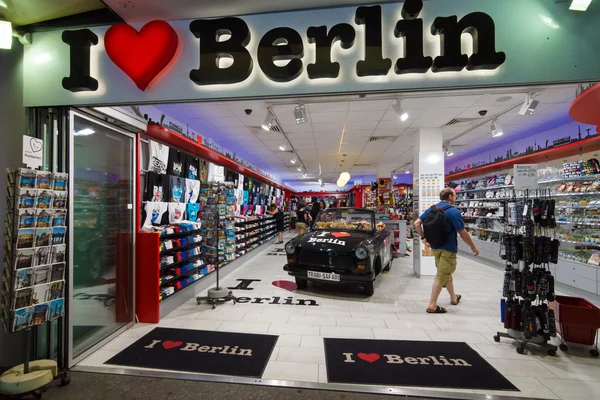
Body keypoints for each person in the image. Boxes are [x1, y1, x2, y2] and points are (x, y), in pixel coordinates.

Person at [413, 188, 479, 314]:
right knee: (441, 275)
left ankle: (453, 298)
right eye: (455, 195)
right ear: (449, 197)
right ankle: (432, 305)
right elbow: (463, 232)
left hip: (435, 247)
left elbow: (417, 223)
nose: (455, 197)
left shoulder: (431, 209)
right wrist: (473, 246)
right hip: (448, 248)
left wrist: (423, 238)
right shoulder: (454, 212)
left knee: (445, 272)